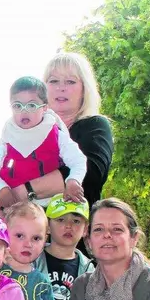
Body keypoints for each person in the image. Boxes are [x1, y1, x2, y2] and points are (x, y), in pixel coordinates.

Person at [0, 76, 86, 214]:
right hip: (14, 209)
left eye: (31, 105)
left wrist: (73, 180)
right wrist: (1, 189)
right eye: (17, 106)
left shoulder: (56, 135)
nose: (24, 111)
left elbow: (78, 160)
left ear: (45, 108)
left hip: (52, 207)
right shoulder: (6, 140)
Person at [41, 52, 116, 206]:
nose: (61, 88)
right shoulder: (28, 129)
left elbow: (90, 176)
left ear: (84, 89)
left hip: (78, 225)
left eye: (70, 81)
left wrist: (24, 189)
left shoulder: (95, 126)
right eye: (53, 81)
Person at [0, 201, 58, 300]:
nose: (28, 244)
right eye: (20, 236)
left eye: (36, 238)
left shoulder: (42, 283)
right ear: (4, 234)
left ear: (45, 240)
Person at [43, 198, 94, 300]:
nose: (69, 226)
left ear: (85, 229)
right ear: (47, 225)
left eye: (76, 221)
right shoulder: (31, 260)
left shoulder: (89, 270)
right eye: (61, 220)